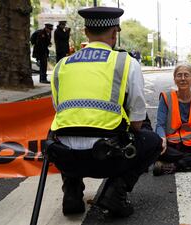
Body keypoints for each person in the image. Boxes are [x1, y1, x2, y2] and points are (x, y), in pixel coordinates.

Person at [48, 6, 161, 217]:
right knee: (153, 141)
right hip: (107, 158)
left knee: (67, 131)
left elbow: (60, 112)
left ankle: (72, 193)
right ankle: (115, 192)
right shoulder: (126, 63)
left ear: (86, 32)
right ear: (114, 33)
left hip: (66, 157)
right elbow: (137, 123)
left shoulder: (61, 65)